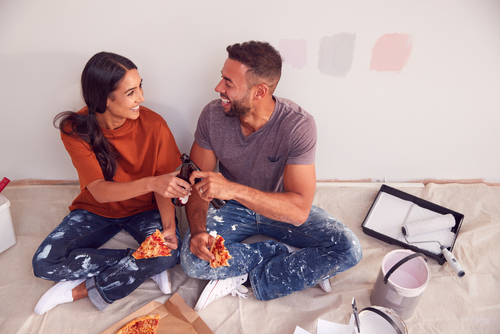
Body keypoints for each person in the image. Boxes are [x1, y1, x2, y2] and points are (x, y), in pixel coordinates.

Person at [180, 41, 362, 311]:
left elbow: (299, 210)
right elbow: (198, 183)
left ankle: (259, 280)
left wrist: (234, 189)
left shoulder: (298, 125)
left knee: (349, 249)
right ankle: (276, 254)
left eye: (228, 83)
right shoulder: (212, 116)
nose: (219, 88)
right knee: (191, 259)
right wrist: (198, 232)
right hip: (232, 210)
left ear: (259, 92)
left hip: (278, 206)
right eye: (222, 78)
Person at [32, 52, 191, 315]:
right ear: (104, 98)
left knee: (170, 253)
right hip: (95, 210)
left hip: (144, 210)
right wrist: (152, 183)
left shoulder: (155, 125)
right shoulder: (75, 129)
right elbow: (99, 191)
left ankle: (78, 291)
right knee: (45, 263)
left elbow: (165, 187)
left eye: (141, 86)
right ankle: (143, 264)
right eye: (131, 92)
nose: (141, 97)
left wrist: (170, 228)